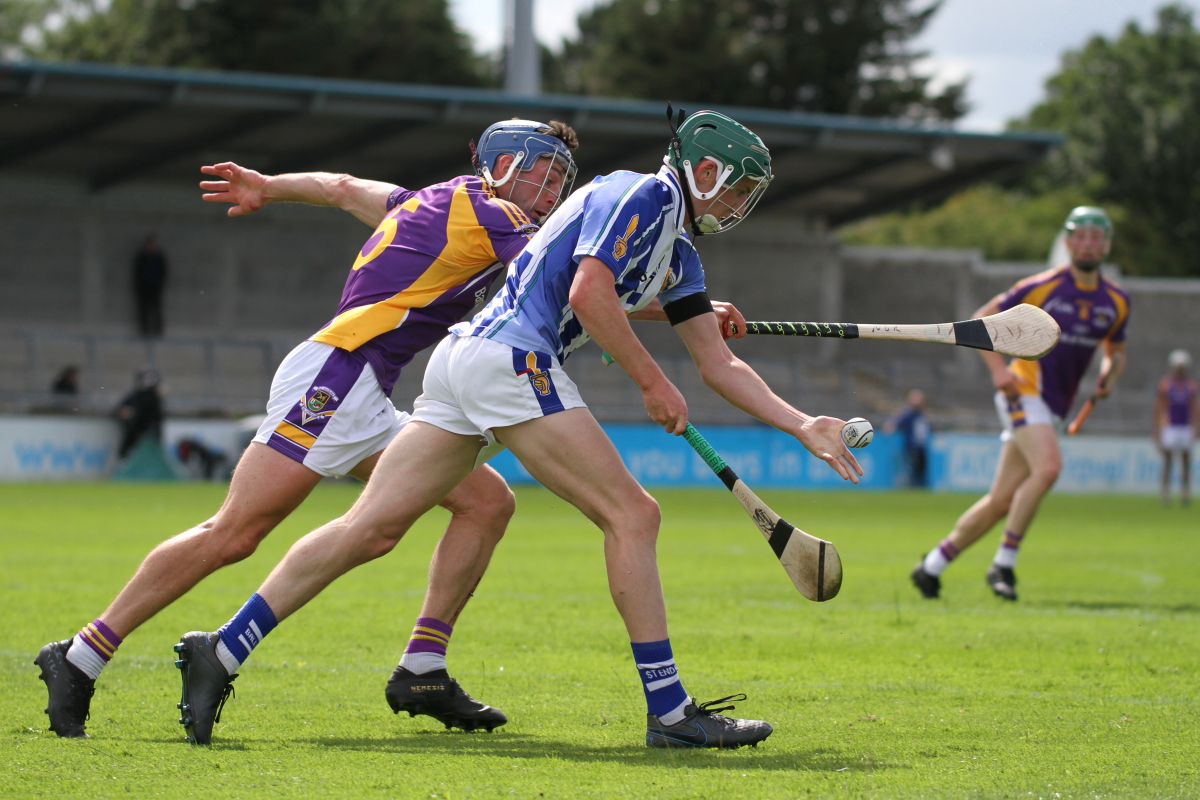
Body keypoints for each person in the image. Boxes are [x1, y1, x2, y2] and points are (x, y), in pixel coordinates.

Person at [176, 109, 863, 749]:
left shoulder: (678, 254)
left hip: (464, 364)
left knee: (370, 529)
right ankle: (671, 712)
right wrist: (651, 381)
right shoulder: (639, 194)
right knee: (634, 515)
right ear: (703, 171)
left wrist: (803, 424)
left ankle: (223, 648)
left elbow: (719, 362)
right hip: (509, 359)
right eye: (736, 188)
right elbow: (588, 292)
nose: (740, 206)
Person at [33, 119, 581, 739]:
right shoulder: (495, 215)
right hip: (337, 377)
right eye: (544, 166)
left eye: (562, 174)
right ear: (502, 162)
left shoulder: (428, 199)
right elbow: (577, 287)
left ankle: (423, 666)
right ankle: (80, 656)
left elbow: (342, 187)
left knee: (485, 501)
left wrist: (269, 185)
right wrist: (681, 304)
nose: (553, 182)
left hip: (364, 386)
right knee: (235, 532)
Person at [910, 206, 1129, 601]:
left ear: (1107, 246)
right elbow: (981, 319)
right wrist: (998, 371)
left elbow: (1116, 350)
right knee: (1048, 468)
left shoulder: (1116, 300)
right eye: (1082, 236)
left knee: (1001, 500)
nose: (1089, 244)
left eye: (1098, 238)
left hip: (1056, 407)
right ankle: (1004, 565)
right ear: (1068, 242)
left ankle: (931, 567)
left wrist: (1108, 376)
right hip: (1023, 391)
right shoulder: (1041, 285)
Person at [1154, 349, 1197, 506]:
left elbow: (1194, 408)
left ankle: (1185, 494)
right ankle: (1165, 493)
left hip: (1185, 427)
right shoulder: (1166, 385)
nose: (1180, 369)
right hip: (1170, 427)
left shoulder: (1191, 386)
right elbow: (1159, 407)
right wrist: (1157, 428)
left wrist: (1196, 426)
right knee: (1167, 461)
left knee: (1185, 461)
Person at [115, 368, 164, 460]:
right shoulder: (138, 396)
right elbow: (122, 409)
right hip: (138, 429)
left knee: (150, 452)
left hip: (147, 429)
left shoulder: (153, 398)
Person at [885, 389, 930, 487]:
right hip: (912, 447)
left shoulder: (920, 413)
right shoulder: (908, 413)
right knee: (912, 469)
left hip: (921, 446)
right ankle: (912, 488)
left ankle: (921, 488)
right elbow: (896, 422)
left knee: (921, 470)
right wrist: (890, 426)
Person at [133, 236, 168, 337]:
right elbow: (137, 273)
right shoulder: (142, 257)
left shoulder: (159, 257)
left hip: (156, 288)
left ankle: (158, 331)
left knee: (156, 309)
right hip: (144, 288)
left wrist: (160, 284)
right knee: (143, 310)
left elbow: (163, 272)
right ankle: (144, 331)